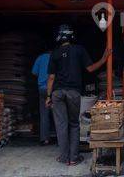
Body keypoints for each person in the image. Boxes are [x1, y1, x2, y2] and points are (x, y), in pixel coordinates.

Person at [46, 24, 111, 166]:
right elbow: (90, 68)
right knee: (74, 124)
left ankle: (64, 157)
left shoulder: (55, 53)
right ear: (71, 36)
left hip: (57, 93)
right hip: (73, 92)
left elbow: (51, 77)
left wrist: (48, 96)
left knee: (61, 125)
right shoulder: (79, 50)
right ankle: (74, 158)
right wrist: (104, 58)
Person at [31, 47, 52, 146]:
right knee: (59, 114)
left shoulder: (40, 58)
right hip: (52, 89)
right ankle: (62, 139)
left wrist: (42, 75)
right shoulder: (54, 57)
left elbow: (34, 72)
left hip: (42, 89)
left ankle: (45, 139)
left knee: (44, 114)